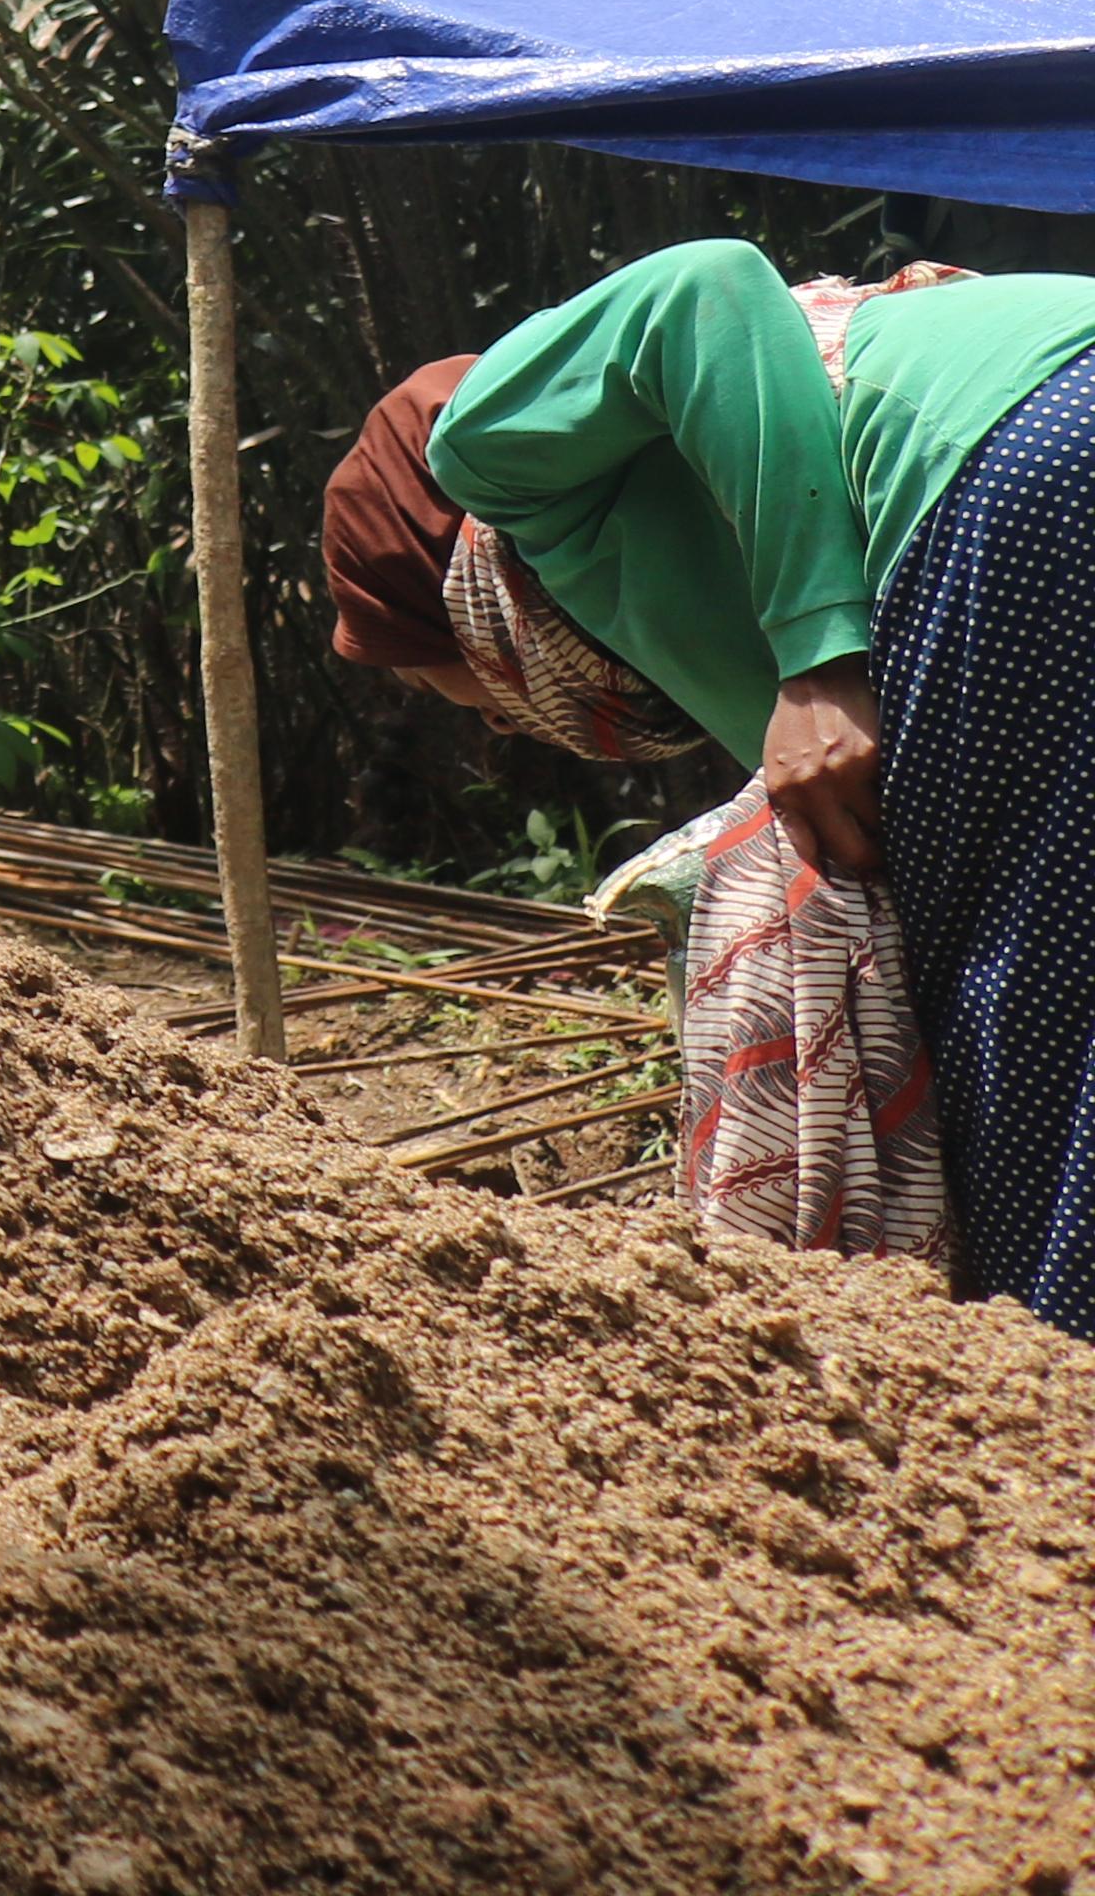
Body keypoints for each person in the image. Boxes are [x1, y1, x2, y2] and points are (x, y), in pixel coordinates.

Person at [319, 235, 1095, 1337]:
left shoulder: (477, 452)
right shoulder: (711, 515)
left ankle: (1047, 1401)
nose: (509, 719)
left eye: (479, 695)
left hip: (1023, 472)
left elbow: (708, 285)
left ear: (468, 595)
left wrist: (819, 658)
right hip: (1045, 433)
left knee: (1027, 1017)